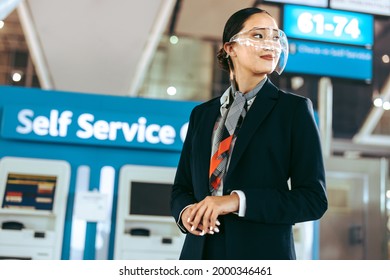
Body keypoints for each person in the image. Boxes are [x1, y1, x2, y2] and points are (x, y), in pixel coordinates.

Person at [170, 7, 328, 260]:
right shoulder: (202, 114)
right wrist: (187, 212)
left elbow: (312, 200)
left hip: (262, 255)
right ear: (230, 48)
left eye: (275, 37)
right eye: (258, 36)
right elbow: (182, 189)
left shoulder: (294, 111)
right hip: (198, 254)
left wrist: (235, 201)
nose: (270, 45)